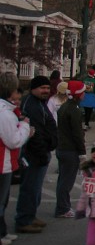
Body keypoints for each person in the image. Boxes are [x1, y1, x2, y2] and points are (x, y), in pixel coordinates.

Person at [14, 76, 57, 234]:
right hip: (34, 154)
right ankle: (24, 219)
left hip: (42, 151)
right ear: (33, 89)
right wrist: (42, 154)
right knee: (30, 188)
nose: (45, 91)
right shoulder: (31, 105)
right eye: (42, 88)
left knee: (36, 188)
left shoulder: (39, 102)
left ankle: (31, 215)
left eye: (47, 88)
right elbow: (35, 133)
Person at [0, 73, 32, 245]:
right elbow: (13, 140)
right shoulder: (5, 114)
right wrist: (25, 127)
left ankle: (2, 232)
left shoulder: (7, 111)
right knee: (1, 201)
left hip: (5, 161)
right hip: (2, 162)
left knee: (3, 200)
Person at [54, 80, 87, 219]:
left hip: (61, 147)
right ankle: (63, 208)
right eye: (83, 92)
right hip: (70, 149)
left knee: (62, 179)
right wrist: (82, 152)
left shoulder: (64, 107)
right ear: (79, 94)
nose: (85, 94)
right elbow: (77, 134)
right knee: (66, 182)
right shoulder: (74, 110)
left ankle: (62, 206)